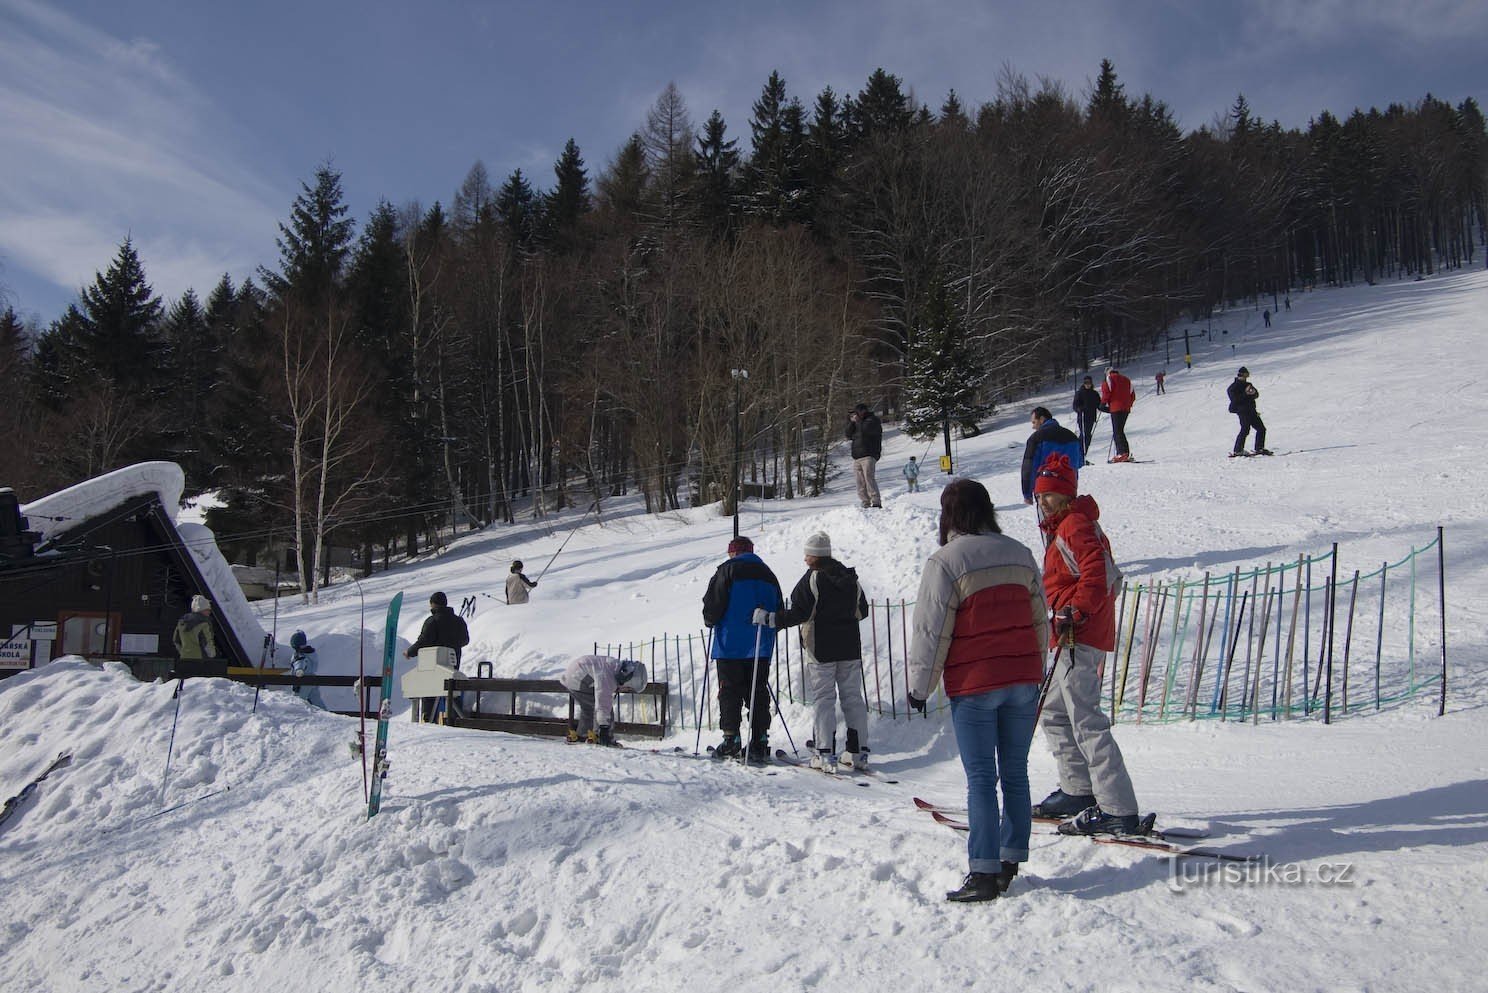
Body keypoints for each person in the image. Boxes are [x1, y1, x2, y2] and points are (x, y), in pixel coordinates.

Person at [907, 479, 1048, 902]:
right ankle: (1010, 859)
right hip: (1022, 678)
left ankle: (982, 872)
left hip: (975, 682)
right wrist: (1033, 667)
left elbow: (932, 631)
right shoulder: (1019, 553)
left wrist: (920, 687)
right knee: (1016, 772)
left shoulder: (947, 560)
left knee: (982, 779)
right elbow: (1040, 619)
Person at [1030, 454, 1141, 836]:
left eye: (1050, 494)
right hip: (1069, 632)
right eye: (1040, 494)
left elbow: (1099, 573)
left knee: (1085, 719)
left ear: (1065, 495)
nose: (1043, 501)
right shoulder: (1065, 525)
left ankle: (1118, 808)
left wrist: (1076, 609)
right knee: (1055, 712)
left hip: (1079, 633)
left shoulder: (1075, 524)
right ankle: (1078, 789)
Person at [755, 532, 871, 773]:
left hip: (821, 648)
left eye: (807, 553)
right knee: (852, 698)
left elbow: (799, 612)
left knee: (824, 699)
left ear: (814, 556)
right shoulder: (850, 577)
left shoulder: (813, 579)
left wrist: (769, 619)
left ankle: (824, 752)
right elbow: (862, 610)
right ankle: (858, 752)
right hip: (850, 647)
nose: (805, 558)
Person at [702, 536, 784, 764]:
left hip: (731, 643)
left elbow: (713, 605)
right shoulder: (769, 574)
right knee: (757, 691)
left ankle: (731, 739)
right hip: (761, 644)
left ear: (733, 553)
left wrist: (710, 619)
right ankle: (759, 740)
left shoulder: (726, 571)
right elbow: (779, 608)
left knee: (729, 691)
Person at [405, 591, 471, 721]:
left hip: (433, 665)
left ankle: (429, 719)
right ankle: (454, 719)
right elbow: (465, 640)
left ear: (433, 604)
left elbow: (424, 641)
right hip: (453, 664)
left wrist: (410, 652)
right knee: (452, 692)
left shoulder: (432, 621)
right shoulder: (458, 621)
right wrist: (451, 644)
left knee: (429, 691)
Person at [559, 655, 647, 746]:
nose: (625, 690)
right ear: (627, 680)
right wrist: (604, 727)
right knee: (604, 709)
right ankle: (603, 738)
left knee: (589, 708)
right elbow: (602, 704)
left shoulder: (614, 667)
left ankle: (583, 735)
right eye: (628, 688)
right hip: (577, 678)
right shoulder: (608, 678)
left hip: (573, 677)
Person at [1020, 407, 1083, 506]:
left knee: (1049, 520)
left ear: (1041, 419)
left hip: (1046, 489)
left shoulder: (1036, 438)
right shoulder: (1072, 436)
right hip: (1069, 486)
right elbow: (1080, 462)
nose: (1033, 427)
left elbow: (1029, 467)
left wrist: (1027, 494)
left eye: (1034, 422)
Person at [1227, 366, 1272, 457]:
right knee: (1245, 429)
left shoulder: (1248, 384)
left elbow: (1256, 394)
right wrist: (1246, 394)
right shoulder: (1233, 387)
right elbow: (1235, 400)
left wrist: (1253, 393)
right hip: (1242, 411)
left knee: (1261, 428)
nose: (1246, 378)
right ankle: (1238, 450)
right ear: (1241, 375)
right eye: (1245, 376)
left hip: (1251, 410)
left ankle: (1259, 448)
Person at [845, 403, 883, 508]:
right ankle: (865, 501)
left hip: (869, 454)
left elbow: (866, 430)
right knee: (859, 481)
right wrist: (851, 422)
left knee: (868, 478)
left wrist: (858, 421)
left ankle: (876, 501)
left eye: (857, 412)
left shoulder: (872, 420)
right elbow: (848, 434)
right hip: (857, 456)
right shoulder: (857, 423)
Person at [1098, 367, 1136, 462]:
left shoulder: (1109, 379)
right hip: (1125, 408)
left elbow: (1106, 391)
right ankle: (1125, 452)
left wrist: (1102, 404)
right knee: (1120, 430)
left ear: (1107, 373)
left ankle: (1121, 453)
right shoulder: (1126, 379)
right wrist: (1128, 404)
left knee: (1117, 431)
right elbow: (1132, 395)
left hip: (1115, 407)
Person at [288, 630, 325, 709]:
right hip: (312, 678)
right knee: (316, 700)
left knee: (299, 700)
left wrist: (298, 673)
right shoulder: (310, 653)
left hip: (303, 681)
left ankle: (297, 712)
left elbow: (299, 666)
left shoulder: (300, 656)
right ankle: (326, 713)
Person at [173, 594, 217, 660]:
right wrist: (212, 655)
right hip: (201, 660)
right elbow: (207, 643)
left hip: (184, 659)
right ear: (202, 609)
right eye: (207, 610)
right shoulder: (204, 623)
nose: (209, 612)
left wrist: (183, 652)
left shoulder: (181, 622)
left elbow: (176, 641)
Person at [1071, 376, 1101, 462]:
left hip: (1091, 417)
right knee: (1084, 435)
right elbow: (1075, 405)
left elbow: (1099, 404)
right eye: (1086, 383)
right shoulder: (1080, 393)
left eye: (1089, 383)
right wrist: (1079, 409)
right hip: (1083, 417)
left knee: (1088, 436)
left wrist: (1108, 409)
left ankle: (1083, 455)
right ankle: (1079, 455)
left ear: (1091, 383)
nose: (1087, 385)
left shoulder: (1094, 393)